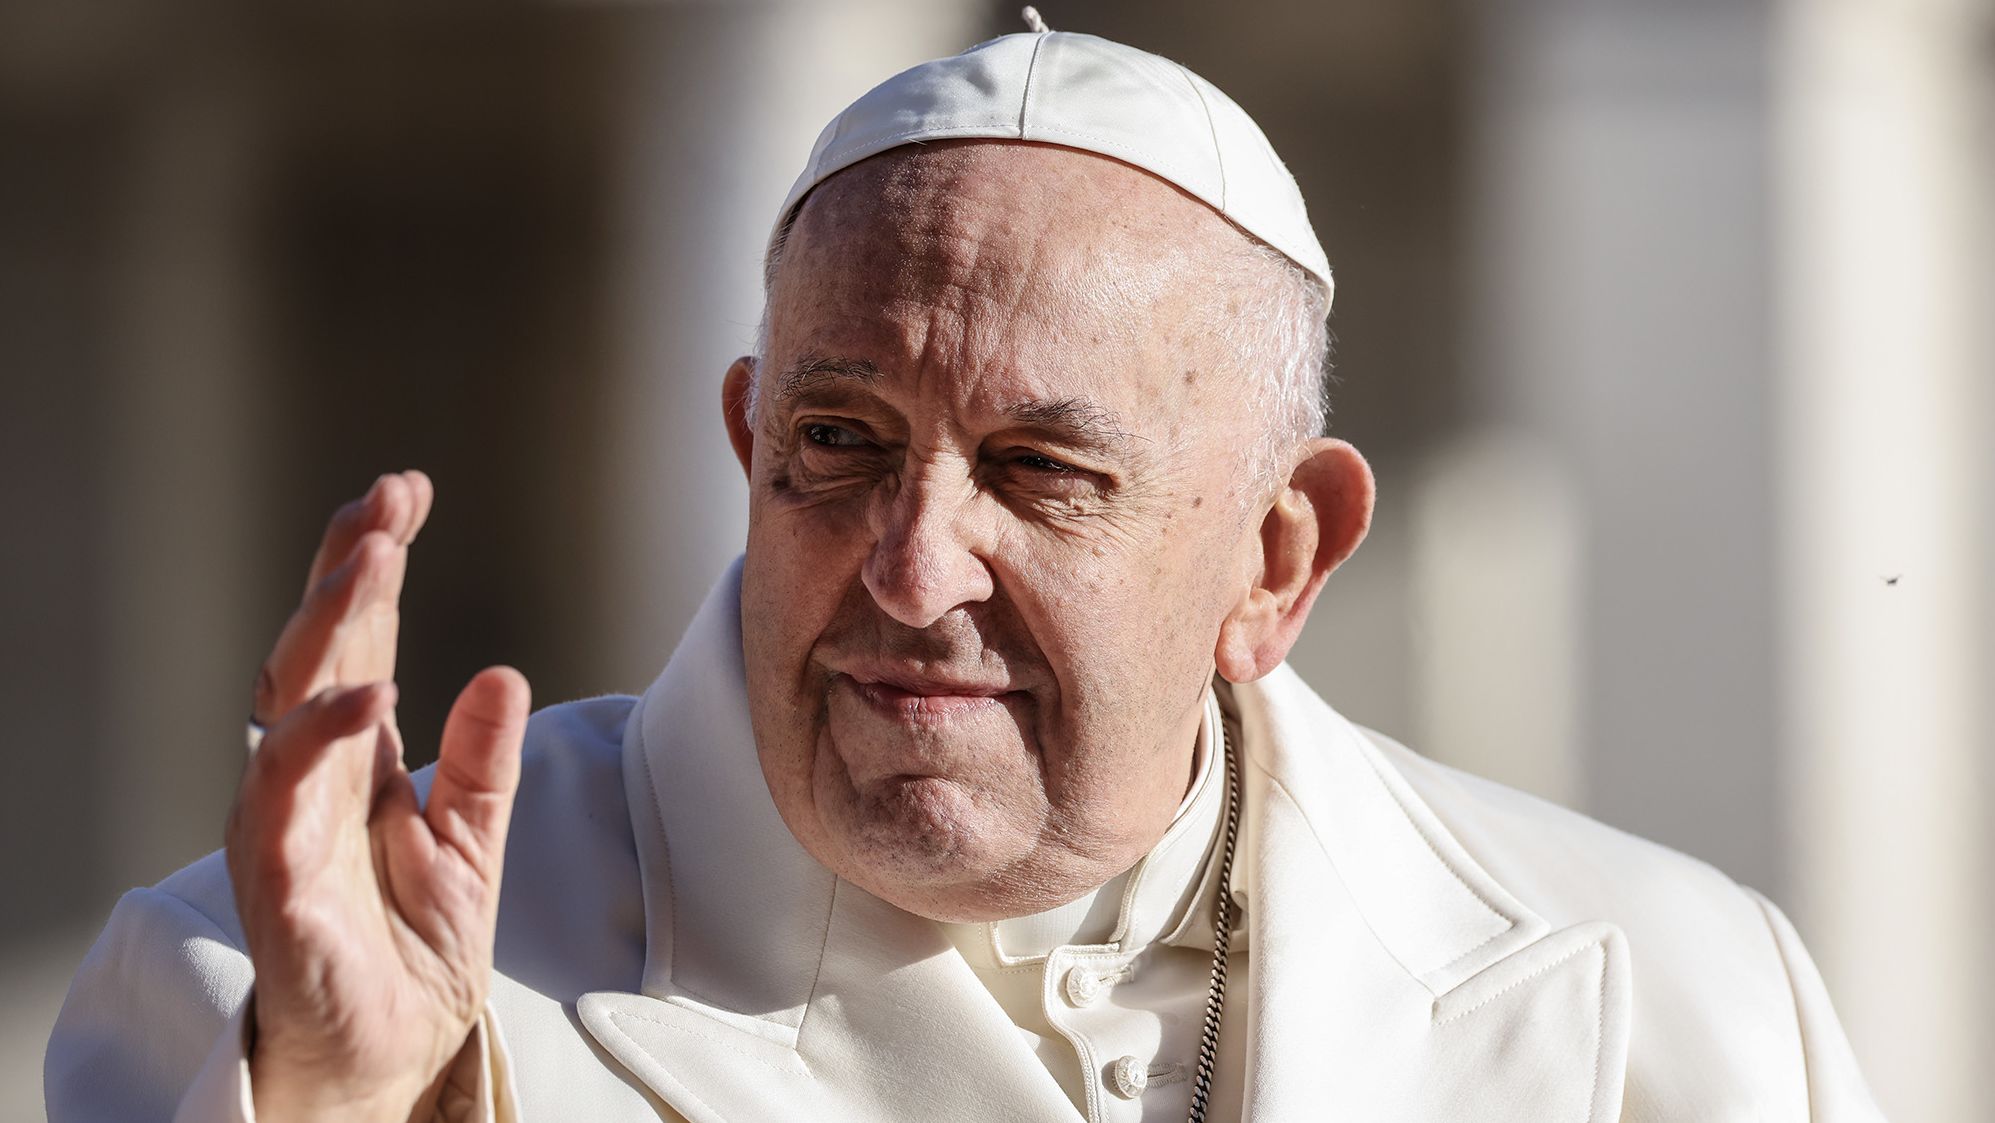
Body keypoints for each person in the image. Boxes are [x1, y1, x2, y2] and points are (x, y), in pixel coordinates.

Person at [47, 21, 1886, 1123]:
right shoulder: (256, 997)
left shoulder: (1686, 1003)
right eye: (838, 448)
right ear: (749, 440)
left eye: (1040, 472)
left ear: (1277, 553)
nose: (914, 569)